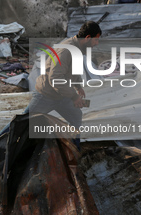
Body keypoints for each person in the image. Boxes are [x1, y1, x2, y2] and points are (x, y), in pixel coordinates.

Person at [28, 21, 102, 149]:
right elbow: (55, 77)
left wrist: (78, 86)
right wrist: (74, 96)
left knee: (76, 116)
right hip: (46, 95)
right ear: (87, 38)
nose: (97, 43)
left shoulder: (78, 49)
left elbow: (73, 70)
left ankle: (73, 151)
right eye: (96, 40)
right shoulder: (66, 50)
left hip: (61, 95)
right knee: (24, 123)